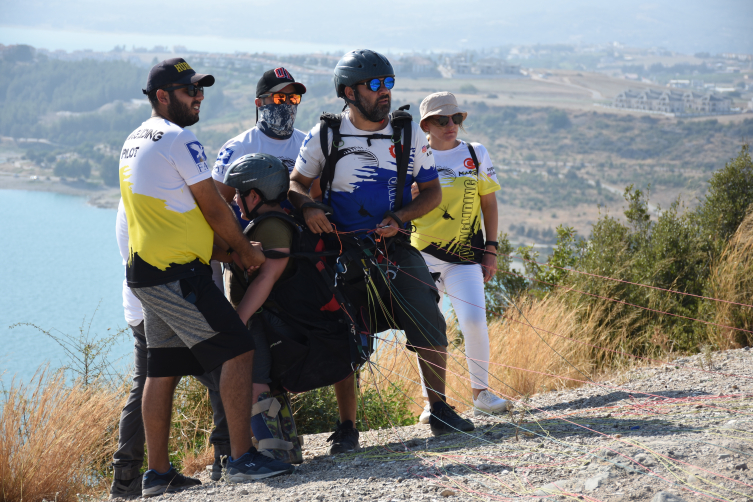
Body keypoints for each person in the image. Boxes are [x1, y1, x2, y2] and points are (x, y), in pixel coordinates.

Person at [119, 57, 293, 495]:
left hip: (144, 272)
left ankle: (157, 474)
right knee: (237, 350)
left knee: (162, 369)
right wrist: (242, 249)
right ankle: (240, 458)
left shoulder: (133, 140)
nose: (198, 97)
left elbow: (175, 214)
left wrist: (221, 248)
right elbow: (214, 206)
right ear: (162, 96)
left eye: (200, 89)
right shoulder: (179, 138)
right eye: (187, 90)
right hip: (177, 273)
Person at [289, 49, 475, 438]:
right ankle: (347, 427)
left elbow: (431, 193)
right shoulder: (326, 134)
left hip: (393, 246)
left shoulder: (406, 132)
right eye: (374, 85)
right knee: (345, 331)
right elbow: (295, 184)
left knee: (427, 312)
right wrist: (307, 209)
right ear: (349, 92)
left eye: (388, 82)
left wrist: (399, 219)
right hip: (341, 251)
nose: (384, 92)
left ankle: (439, 410)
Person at [110, 199, 233, 499]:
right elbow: (199, 245)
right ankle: (227, 458)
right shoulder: (170, 194)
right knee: (225, 368)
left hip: (142, 303)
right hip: (181, 301)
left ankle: (126, 479)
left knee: (148, 382)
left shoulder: (133, 193)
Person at [410, 92, 512, 422]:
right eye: (442, 120)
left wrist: (492, 250)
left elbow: (489, 204)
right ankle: (432, 402)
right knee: (427, 329)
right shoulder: (413, 157)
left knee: (472, 321)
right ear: (426, 124)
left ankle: (481, 394)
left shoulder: (474, 152)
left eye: (456, 119)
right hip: (420, 255)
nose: (451, 125)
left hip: (466, 255)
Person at [212, 67, 308, 209]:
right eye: (279, 98)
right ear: (259, 103)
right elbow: (216, 206)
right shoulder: (239, 147)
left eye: (293, 98)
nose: (288, 103)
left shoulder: (307, 144)